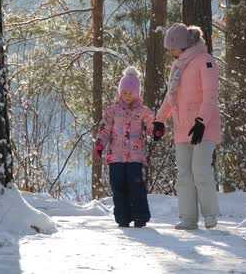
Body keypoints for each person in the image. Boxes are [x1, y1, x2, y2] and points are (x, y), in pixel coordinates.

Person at [154, 23, 221, 230]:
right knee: (184, 174)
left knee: (200, 171)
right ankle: (188, 218)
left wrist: (201, 121)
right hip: (182, 128)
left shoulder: (205, 62)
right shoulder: (178, 65)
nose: (170, 52)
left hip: (204, 127)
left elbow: (210, 96)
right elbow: (171, 96)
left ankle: (210, 215)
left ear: (183, 45)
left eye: (172, 48)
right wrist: (159, 120)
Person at [93, 66, 161, 228]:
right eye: (124, 93)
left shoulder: (143, 111)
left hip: (135, 157)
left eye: (130, 93)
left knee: (136, 185)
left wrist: (156, 130)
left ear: (137, 93)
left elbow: (151, 124)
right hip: (115, 156)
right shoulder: (112, 111)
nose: (127, 96)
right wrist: (99, 145)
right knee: (118, 186)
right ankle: (122, 217)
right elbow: (104, 129)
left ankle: (140, 216)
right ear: (120, 93)